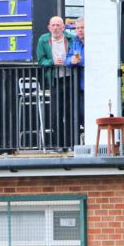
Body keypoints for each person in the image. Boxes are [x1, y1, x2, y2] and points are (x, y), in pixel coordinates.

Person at [36, 16, 75, 149]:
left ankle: (70, 144)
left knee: (70, 113)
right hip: (54, 80)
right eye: (53, 25)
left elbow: (77, 55)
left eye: (58, 25)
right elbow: (41, 60)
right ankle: (59, 143)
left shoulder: (71, 38)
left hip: (70, 78)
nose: (56, 28)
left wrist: (71, 60)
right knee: (54, 114)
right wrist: (52, 62)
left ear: (63, 27)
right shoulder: (43, 40)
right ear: (49, 27)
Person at [65, 18, 85, 130]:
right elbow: (67, 58)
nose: (80, 30)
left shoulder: (93, 41)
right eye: (78, 28)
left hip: (93, 84)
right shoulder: (75, 42)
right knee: (81, 114)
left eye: (82, 27)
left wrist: (79, 61)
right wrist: (71, 60)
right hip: (80, 85)